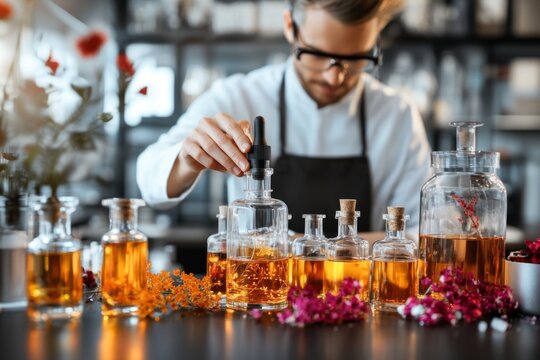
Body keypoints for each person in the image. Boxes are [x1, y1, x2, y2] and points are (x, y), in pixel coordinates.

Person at [136, 0, 431, 235]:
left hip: (359, 301)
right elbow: (150, 183)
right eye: (317, 54)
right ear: (290, 26)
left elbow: (426, 233)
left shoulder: (397, 116)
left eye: (356, 59)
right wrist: (187, 159)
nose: (334, 76)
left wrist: (309, 248)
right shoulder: (239, 96)